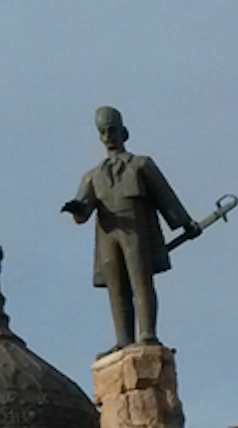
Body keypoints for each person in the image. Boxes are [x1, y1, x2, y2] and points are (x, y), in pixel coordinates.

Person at [63, 106, 201, 352]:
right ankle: (123, 338)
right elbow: (83, 211)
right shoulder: (92, 177)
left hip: (136, 229)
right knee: (117, 287)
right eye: (103, 132)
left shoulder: (140, 165)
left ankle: (147, 333)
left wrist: (184, 222)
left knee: (140, 282)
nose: (108, 136)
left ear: (124, 132)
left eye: (112, 130)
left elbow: (165, 197)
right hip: (109, 233)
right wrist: (76, 208)